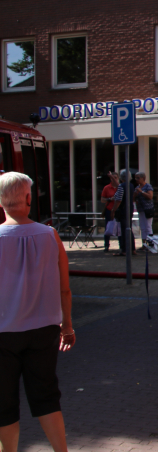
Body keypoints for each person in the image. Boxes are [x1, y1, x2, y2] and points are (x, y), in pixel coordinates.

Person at [0, 172, 74, 452]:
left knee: (4, 402)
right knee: (46, 396)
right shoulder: (49, 235)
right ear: (29, 198)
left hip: (3, 331)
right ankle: (61, 450)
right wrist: (67, 326)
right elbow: (64, 288)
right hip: (44, 330)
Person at [110, 170, 136, 256]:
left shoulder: (122, 186)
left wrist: (113, 210)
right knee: (129, 229)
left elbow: (118, 200)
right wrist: (112, 177)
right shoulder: (131, 185)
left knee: (124, 230)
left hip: (123, 210)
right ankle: (132, 249)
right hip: (130, 209)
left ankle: (124, 250)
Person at [133, 172, 154, 248]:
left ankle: (151, 243)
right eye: (135, 178)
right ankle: (144, 244)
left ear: (143, 178)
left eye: (138, 178)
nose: (136, 179)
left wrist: (141, 192)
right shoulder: (137, 187)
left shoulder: (148, 186)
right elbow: (133, 199)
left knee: (148, 226)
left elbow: (150, 196)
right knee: (142, 227)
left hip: (148, 210)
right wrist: (135, 194)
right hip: (141, 209)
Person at [100, 172, 119, 252]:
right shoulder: (107, 188)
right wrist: (110, 199)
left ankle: (121, 245)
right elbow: (102, 199)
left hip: (118, 210)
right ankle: (106, 245)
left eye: (115, 177)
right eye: (112, 177)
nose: (113, 179)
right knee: (108, 227)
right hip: (109, 210)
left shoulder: (119, 187)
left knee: (119, 227)